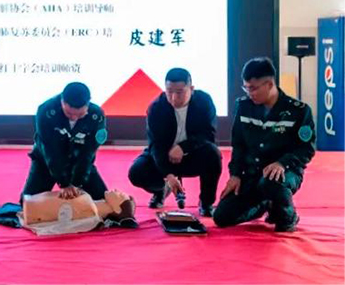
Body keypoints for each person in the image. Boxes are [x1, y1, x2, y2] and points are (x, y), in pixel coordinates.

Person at [214, 57, 316, 232]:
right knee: (221, 217)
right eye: (246, 88)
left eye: (253, 88)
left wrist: (282, 163)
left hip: (283, 174)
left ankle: (287, 216)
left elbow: (306, 148)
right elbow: (239, 145)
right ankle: (264, 204)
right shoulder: (243, 106)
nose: (250, 93)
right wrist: (235, 175)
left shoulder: (298, 111)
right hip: (252, 173)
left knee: (270, 183)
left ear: (269, 84)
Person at [128, 68, 222, 216]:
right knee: (136, 172)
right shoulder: (156, 107)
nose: (173, 98)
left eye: (179, 92)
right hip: (164, 154)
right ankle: (161, 189)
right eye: (169, 91)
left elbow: (208, 134)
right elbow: (156, 145)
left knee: (213, 154)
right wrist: (169, 175)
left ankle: (206, 202)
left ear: (191, 89)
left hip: (193, 153)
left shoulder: (204, 102)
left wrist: (183, 147)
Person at [21, 82, 109, 201]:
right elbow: (50, 150)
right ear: (62, 101)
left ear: (88, 104)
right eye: (69, 114)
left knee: (103, 201)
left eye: (80, 115)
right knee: (28, 202)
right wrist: (64, 183)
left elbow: (88, 153)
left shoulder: (96, 115)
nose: (74, 118)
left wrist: (77, 183)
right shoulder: (46, 111)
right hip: (46, 160)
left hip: (78, 160)